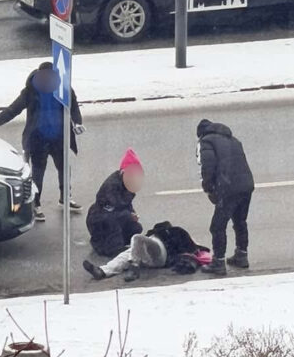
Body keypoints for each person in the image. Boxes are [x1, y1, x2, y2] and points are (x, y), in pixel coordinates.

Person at [0, 62, 84, 222]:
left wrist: (77, 122)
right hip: (38, 139)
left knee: (64, 169)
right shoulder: (31, 91)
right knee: (38, 173)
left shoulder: (63, 89)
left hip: (59, 138)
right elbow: (13, 109)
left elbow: (74, 107)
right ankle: (35, 205)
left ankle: (65, 198)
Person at [196, 119, 255, 277]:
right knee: (240, 221)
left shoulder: (206, 141)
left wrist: (209, 190)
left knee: (217, 226)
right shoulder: (233, 140)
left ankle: (218, 262)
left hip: (229, 188)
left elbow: (207, 168)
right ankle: (241, 255)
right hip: (246, 185)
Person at [84, 220, 201, 283]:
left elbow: (193, 248)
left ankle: (134, 267)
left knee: (136, 238)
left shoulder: (175, 232)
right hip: (152, 256)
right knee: (125, 255)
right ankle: (103, 271)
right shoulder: (164, 234)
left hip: (161, 253)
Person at [85, 149, 144, 258]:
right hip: (100, 218)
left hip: (113, 214)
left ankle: (120, 242)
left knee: (136, 228)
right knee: (113, 223)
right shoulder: (111, 186)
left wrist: (132, 213)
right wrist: (129, 215)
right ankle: (108, 246)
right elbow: (112, 210)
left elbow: (127, 205)